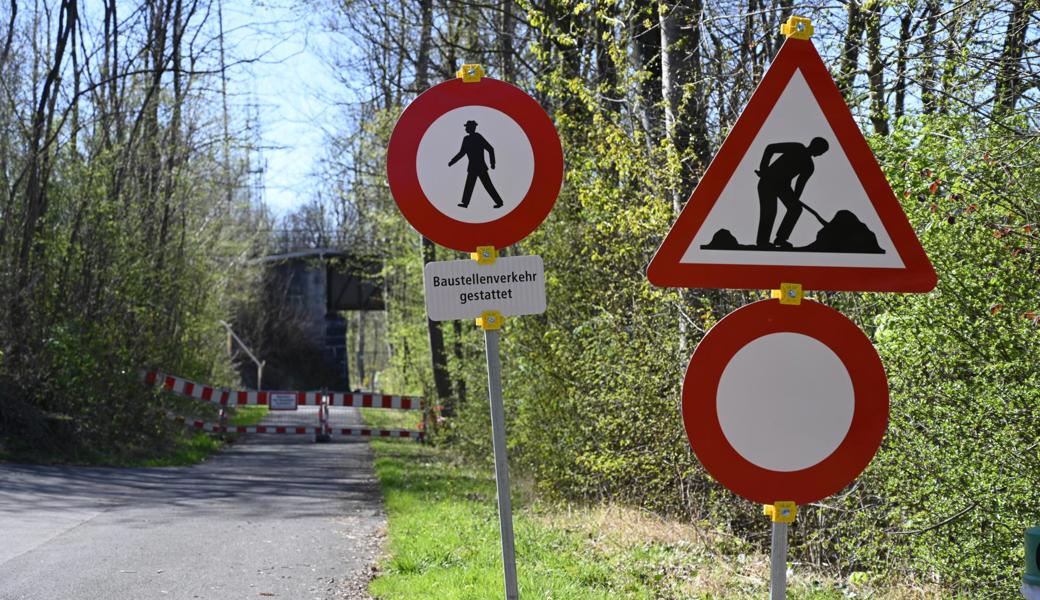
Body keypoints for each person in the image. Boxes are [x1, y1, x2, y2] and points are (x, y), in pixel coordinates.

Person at [754, 136, 829, 248]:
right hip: (768, 181)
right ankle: (763, 242)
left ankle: (781, 238)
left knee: (796, 209)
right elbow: (770, 148)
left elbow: (800, 185)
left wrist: (795, 199)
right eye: (822, 151)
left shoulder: (809, 166)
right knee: (770, 211)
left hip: (783, 187)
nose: (821, 154)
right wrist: (764, 169)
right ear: (816, 147)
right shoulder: (796, 147)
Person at [448, 120, 504, 208]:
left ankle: (499, 202)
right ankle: (465, 203)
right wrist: (452, 161)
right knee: (469, 185)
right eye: (466, 127)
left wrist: (492, 163)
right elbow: (462, 153)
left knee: (488, 185)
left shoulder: (478, 137)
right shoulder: (466, 139)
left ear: (472, 128)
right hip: (473, 167)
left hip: (481, 167)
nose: (466, 128)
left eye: (467, 127)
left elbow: (490, 149)